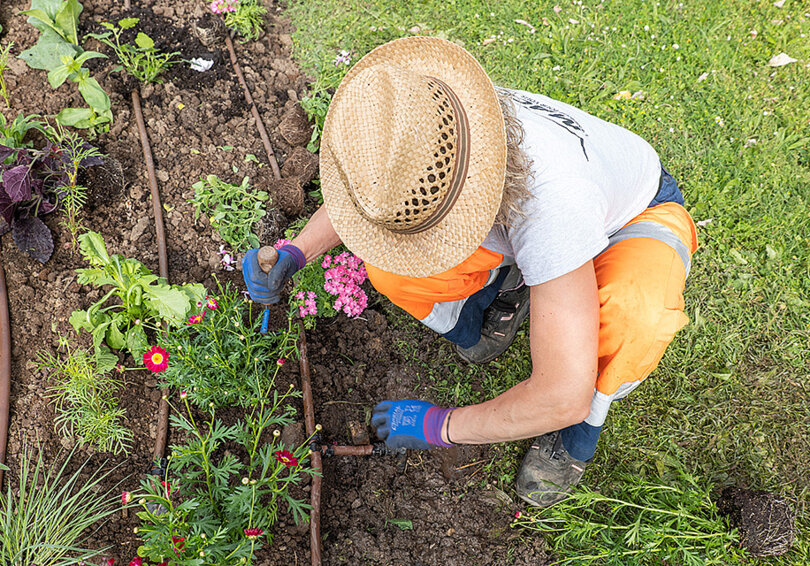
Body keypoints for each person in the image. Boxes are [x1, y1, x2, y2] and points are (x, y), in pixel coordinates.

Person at [243, 37, 697, 507]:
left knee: (632, 317)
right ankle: (500, 303)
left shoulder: (551, 206)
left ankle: (577, 439)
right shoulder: (432, 126)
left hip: (633, 216)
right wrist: (296, 252)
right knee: (392, 270)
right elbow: (379, 193)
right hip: (537, 217)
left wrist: (439, 426)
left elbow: (563, 393)